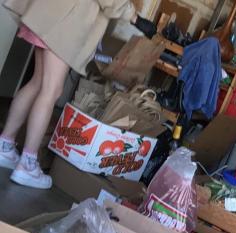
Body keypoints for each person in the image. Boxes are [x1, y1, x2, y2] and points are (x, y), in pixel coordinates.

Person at [0, 0, 156, 189]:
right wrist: (135, 18)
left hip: (52, 13)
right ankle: (27, 164)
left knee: (37, 82)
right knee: (51, 90)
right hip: (66, 24)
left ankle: (5, 146)